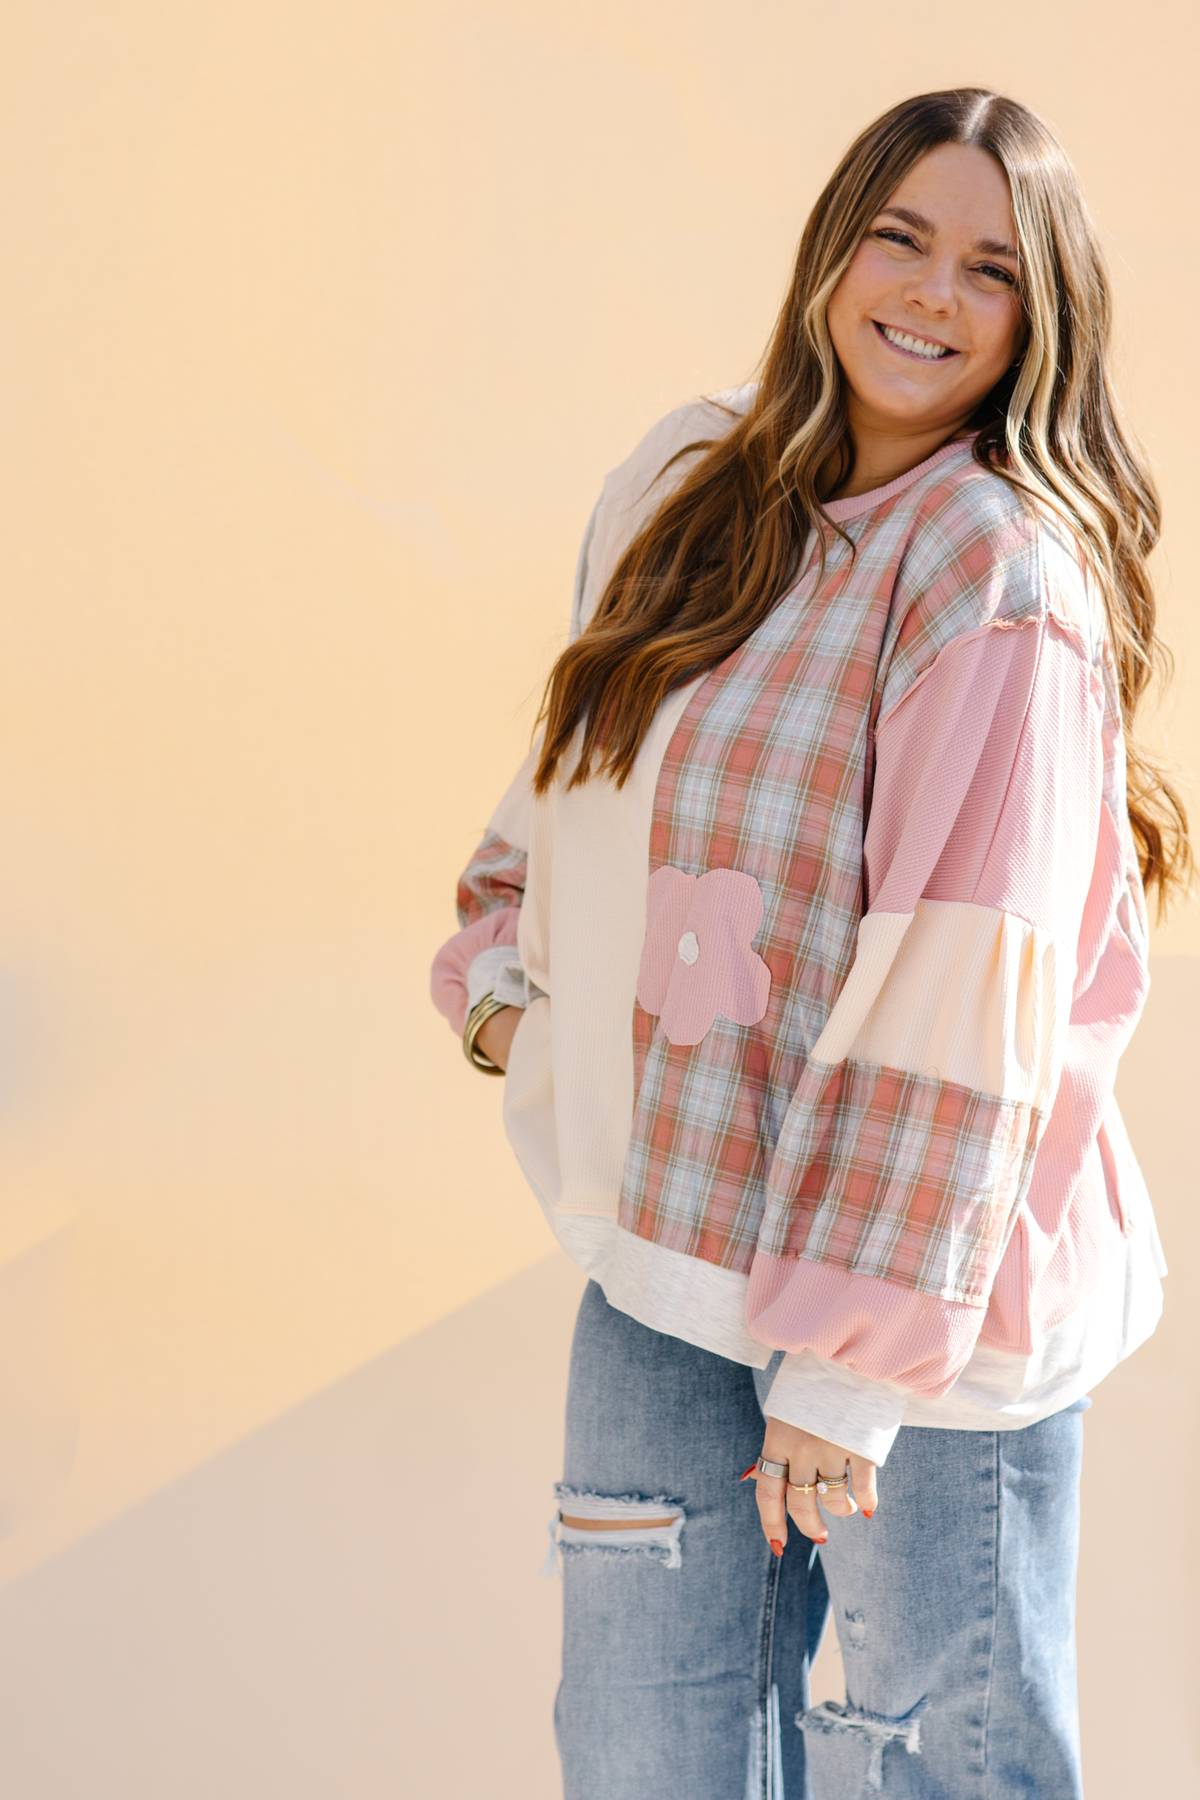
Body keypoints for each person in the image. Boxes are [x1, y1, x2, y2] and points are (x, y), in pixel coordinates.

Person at [428, 86, 1191, 1798]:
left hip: (927, 1312)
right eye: (901, 235)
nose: (929, 294)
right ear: (832, 246)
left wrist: (843, 1376)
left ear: (1038, 320)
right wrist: (506, 1003)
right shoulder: (691, 484)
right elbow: (572, 788)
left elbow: (965, 994)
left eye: (991, 269)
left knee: (939, 1765)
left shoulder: (999, 572)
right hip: (671, 1254)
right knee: (645, 1745)